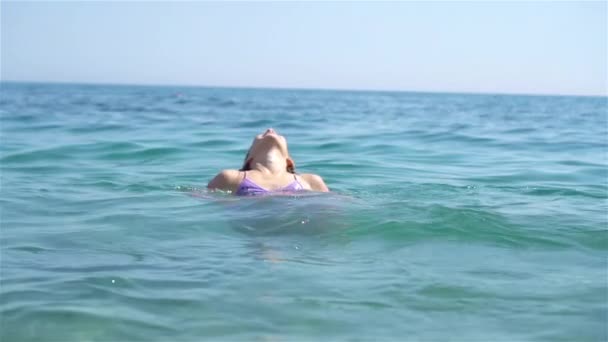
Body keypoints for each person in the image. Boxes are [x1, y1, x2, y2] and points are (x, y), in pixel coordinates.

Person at [207, 128, 329, 195]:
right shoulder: (231, 178)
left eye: (278, 134)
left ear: (289, 161)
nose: (270, 130)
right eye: (261, 135)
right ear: (249, 160)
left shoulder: (310, 181)